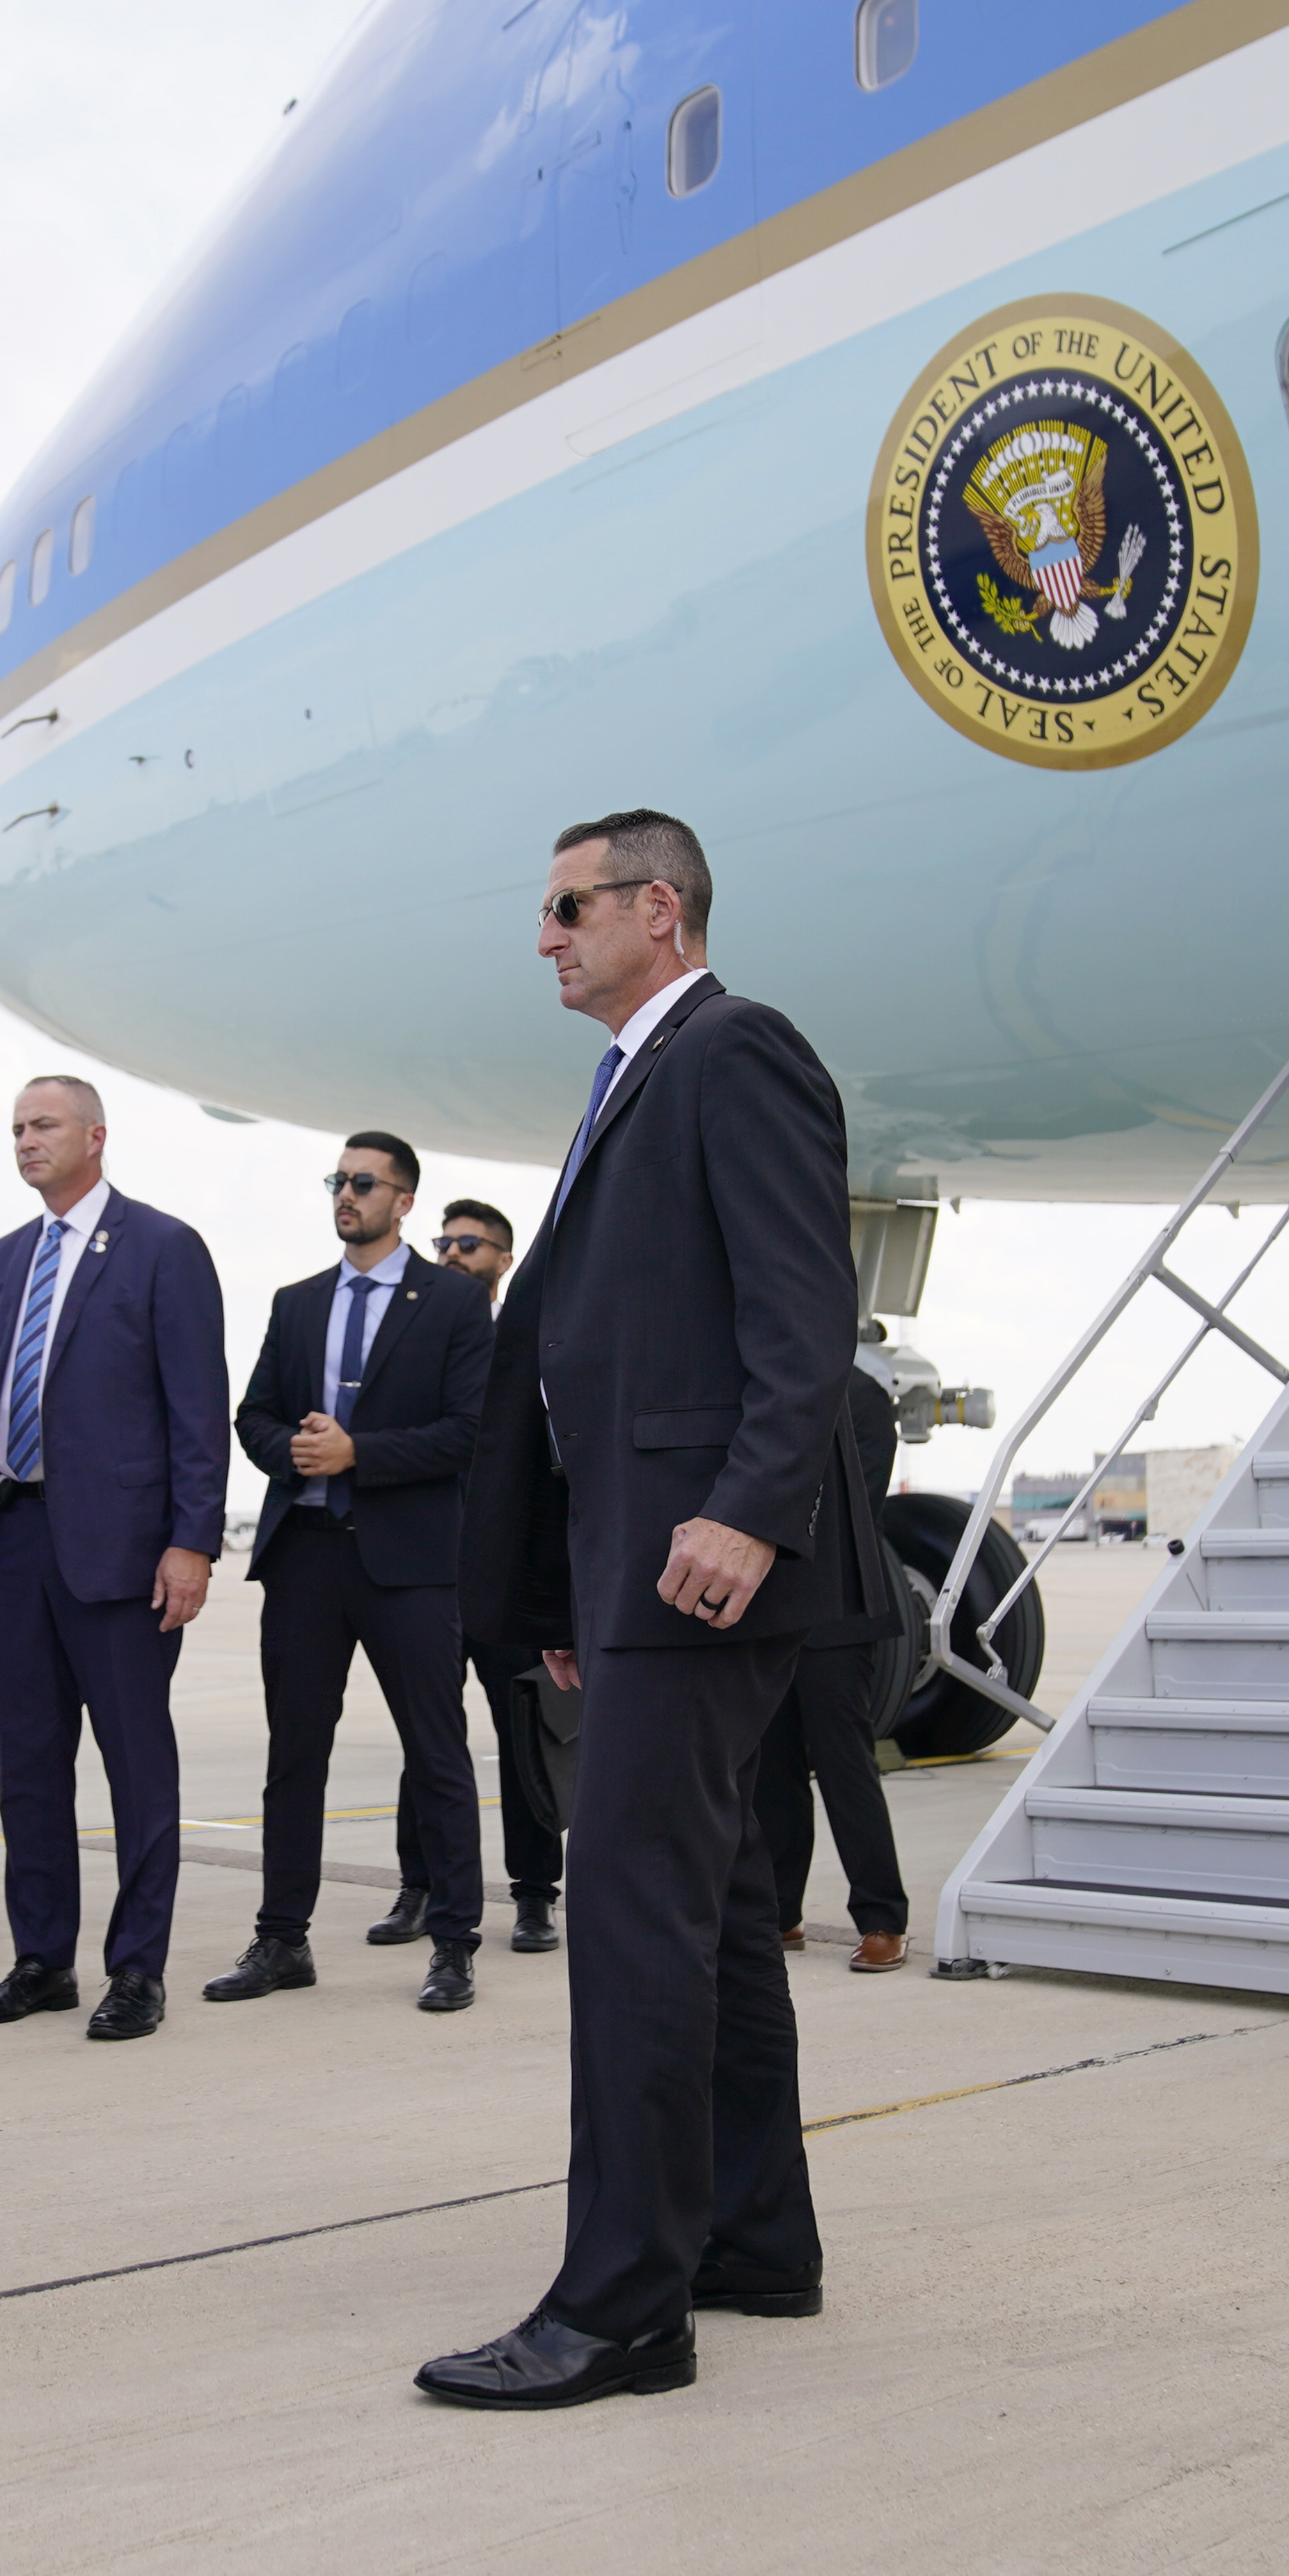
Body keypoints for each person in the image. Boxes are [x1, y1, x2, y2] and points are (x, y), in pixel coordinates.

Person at [425, 810, 878, 2410]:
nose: (543, 935)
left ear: (658, 907)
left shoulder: (732, 1050)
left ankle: (620, 2305)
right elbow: (588, 1365)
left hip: (702, 1562)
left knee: (629, 1921)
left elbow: (803, 1305)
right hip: (638, 1568)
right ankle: (752, 2235)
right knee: (713, 1908)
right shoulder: (629, 1079)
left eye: (564, 905)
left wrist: (749, 1510)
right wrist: (564, 1579)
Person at [0, 1076, 227, 2043]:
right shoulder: (3, 1260)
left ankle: (136, 1969)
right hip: (15, 1541)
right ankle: (41, 1960)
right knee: (30, 1766)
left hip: (122, 1552)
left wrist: (192, 1542)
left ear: (97, 1135)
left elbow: (197, 1409)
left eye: (43, 1125)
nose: (26, 1141)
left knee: (137, 1766)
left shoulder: (163, 1249)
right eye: (16, 1128)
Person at [210, 1133, 492, 2012]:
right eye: (339, 1180)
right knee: (294, 1756)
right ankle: (281, 1939)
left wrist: (357, 1453)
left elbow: (468, 1430)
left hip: (407, 1563)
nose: (347, 1194)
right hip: (305, 1556)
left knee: (436, 1753)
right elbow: (251, 1412)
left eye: (364, 1183)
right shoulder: (297, 1303)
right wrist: (295, 1455)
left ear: (404, 1200)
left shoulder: (452, 1301)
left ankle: (453, 1943)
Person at [411, 1196, 565, 1955]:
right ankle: (420, 1888)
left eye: (470, 1243)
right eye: (444, 1241)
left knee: (525, 1739)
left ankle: (536, 1895)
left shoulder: (530, 1342)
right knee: (428, 1739)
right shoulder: (422, 1341)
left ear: (503, 1259)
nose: (452, 1253)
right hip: (429, 1574)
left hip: (508, 1574)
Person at [755, 1360, 911, 1971]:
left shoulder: (864, 1398)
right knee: (772, 1767)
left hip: (835, 1610)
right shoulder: (765, 1380)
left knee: (845, 1765)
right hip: (765, 1608)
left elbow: (854, 1507)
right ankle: (778, 1909)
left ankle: (881, 1918)